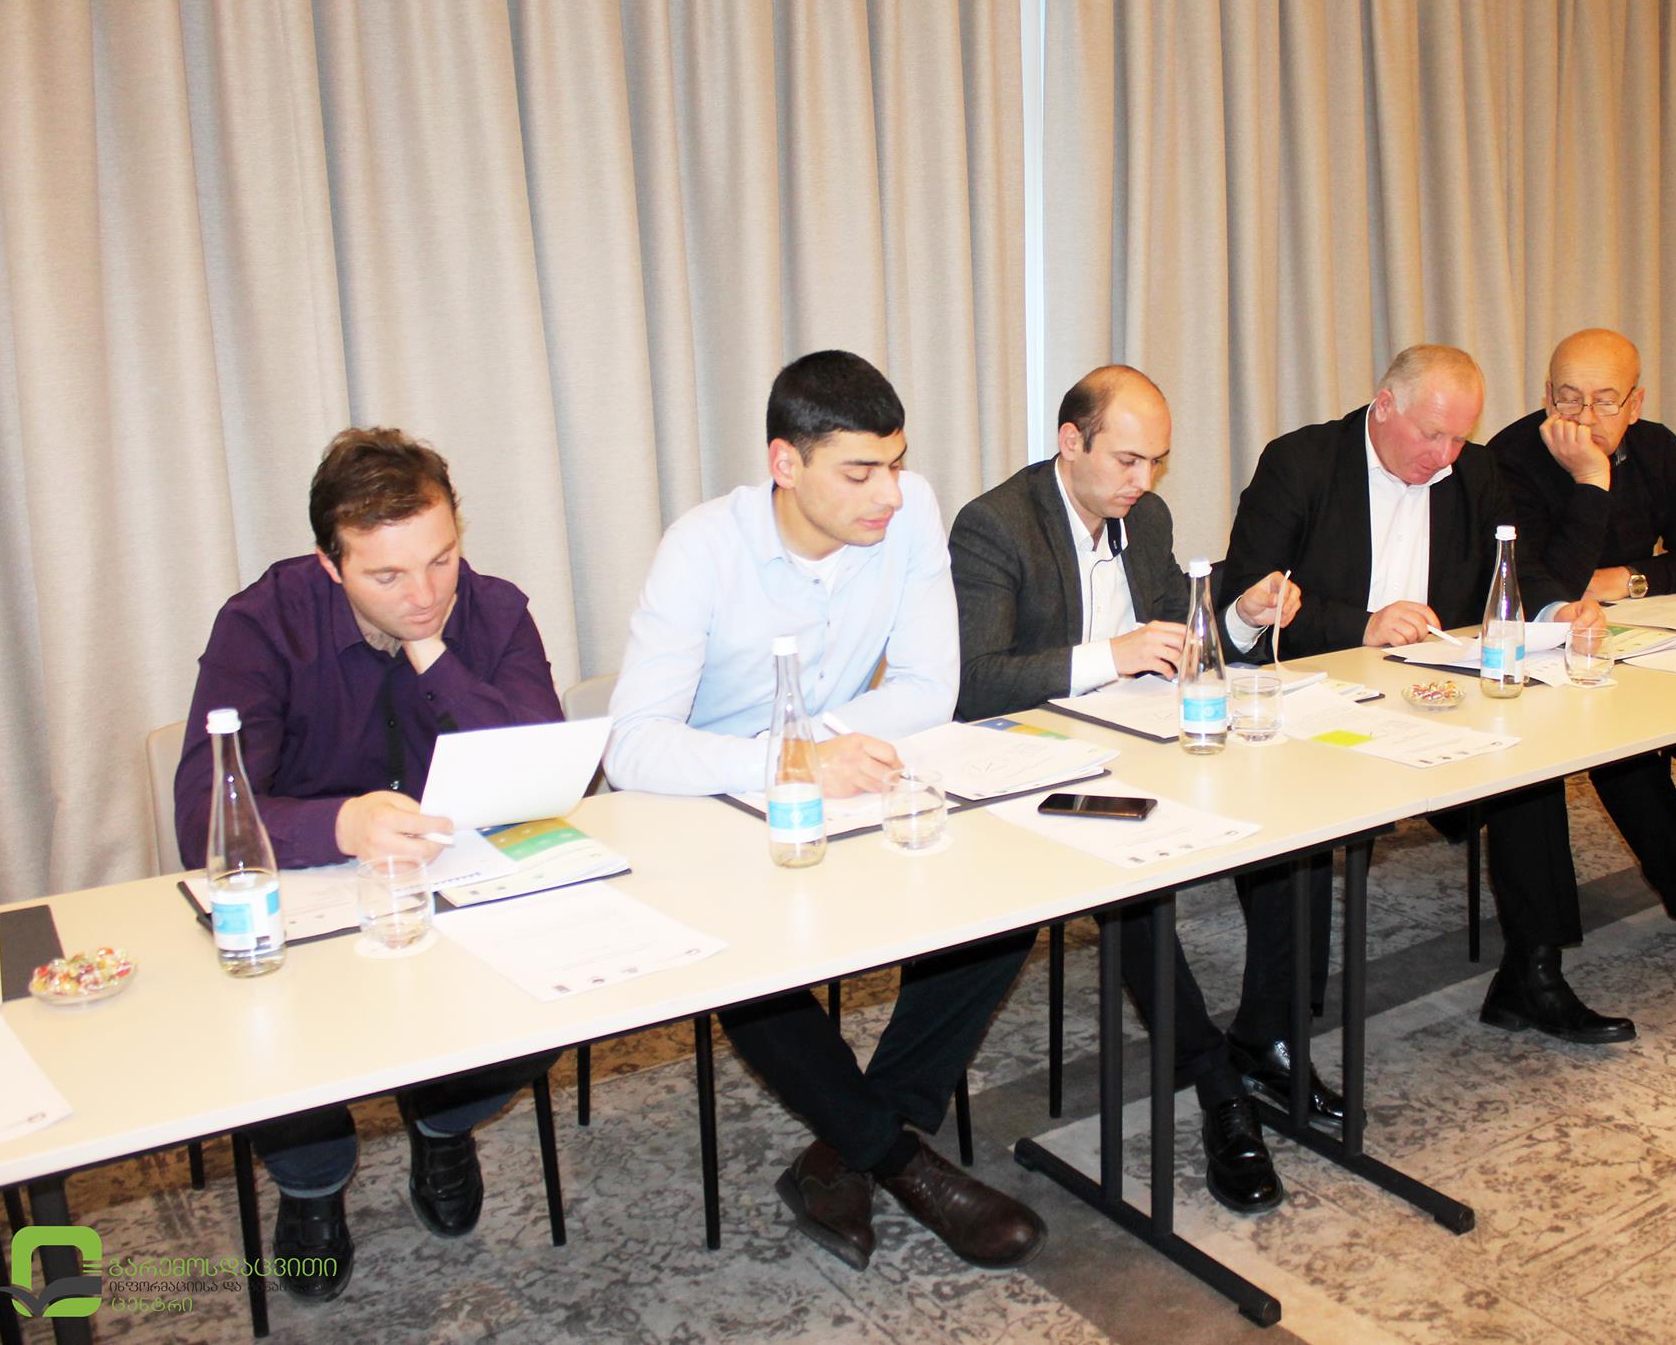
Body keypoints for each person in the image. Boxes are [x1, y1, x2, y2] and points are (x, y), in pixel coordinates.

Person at [605, 350, 1045, 1272]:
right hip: (711, 803)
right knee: (753, 970)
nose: (889, 492)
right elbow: (634, 747)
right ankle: (900, 1159)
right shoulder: (703, 548)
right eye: (859, 471)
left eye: (896, 462)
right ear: (785, 463)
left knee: (1004, 901)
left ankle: (846, 1146)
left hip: (845, 781)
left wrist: (827, 750)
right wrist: (791, 760)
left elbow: (930, 686)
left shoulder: (910, 511)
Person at [175, 427, 564, 1301]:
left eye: (441, 559)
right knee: (258, 1013)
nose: (424, 593)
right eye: (387, 576)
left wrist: (433, 655)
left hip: (454, 883)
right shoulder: (261, 625)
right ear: (330, 563)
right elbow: (204, 814)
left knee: (558, 983)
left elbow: (540, 764)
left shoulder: (493, 609)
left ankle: (443, 1120)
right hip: (312, 889)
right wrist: (341, 822)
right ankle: (313, 1180)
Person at [949, 364, 1315, 1215]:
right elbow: (974, 683)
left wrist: (1241, 617)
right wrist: (1104, 657)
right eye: (1127, 460)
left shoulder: (1144, 518)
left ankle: (1269, 1034)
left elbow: (1179, 636)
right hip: (1029, 766)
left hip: (1138, 744)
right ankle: (1218, 1086)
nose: (1143, 480)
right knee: (1136, 889)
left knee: (1288, 819)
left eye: (1156, 461)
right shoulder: (995, 525)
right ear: (1070, 442)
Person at [1222, 344, 1638, 1045]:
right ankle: (1274, 1030)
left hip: (1433, 692)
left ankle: (1533, 974)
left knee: (1529, 758)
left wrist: (1555, 611)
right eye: (1432, 434)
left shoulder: (1474, 472)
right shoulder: (1301, 463)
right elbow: (1250, 598)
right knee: (1294, 809)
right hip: (1319, 697)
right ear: (1384, 406)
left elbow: (1515, 571)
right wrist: (1362, 625)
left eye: (1458, 438)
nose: (1445, 456)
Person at [1489, 328, 1676, 985]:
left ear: (1636, 402)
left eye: (1605, 400)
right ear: (1545, 396)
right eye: (1568, 398)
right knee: (1624, 754)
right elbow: (1545, 587)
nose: (1584, 418)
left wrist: (1629, 579)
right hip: (1552, 656)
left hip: (1644, 633)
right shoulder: (1510, 459)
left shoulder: (1656, 447)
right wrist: (1591, 480)